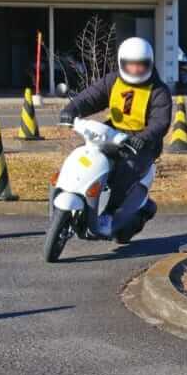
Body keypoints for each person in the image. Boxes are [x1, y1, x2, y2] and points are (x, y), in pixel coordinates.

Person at [59, 37, 172, 242]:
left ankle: (109, 214)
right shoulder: (113, 81)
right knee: (85, 155)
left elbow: (160, 123)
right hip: (112, 132)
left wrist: (143, 138)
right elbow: (91, 97)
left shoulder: (159, 91)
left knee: (125, 170)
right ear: (121, 62)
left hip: (143, 143)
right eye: (130, 64)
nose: (135, 69)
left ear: (150, 63)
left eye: (141, 65)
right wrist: (71, 110)